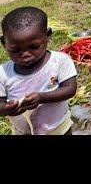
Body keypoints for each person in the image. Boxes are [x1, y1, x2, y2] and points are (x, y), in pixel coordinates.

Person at [0, 7, 78, 135]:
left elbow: (70, 89)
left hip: (59, 129)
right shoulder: (3, 73)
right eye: (16, 50)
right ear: (4, 43)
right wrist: (7, 109)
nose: (25, 54)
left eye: (34, 47)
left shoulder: (59, 61)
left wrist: (41, 97)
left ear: (47, 36)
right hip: (23, 132)